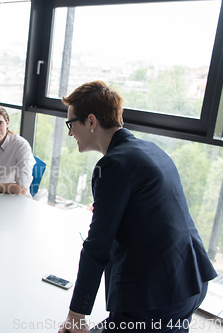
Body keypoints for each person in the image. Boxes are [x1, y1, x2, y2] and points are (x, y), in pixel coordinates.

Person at [58, 81, 217, 333]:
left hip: (156, 297)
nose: (69, 133)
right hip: (190, 280)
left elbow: (97, 247)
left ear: (91, 121)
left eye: (71, 124)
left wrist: (76, 314)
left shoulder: (113, 165)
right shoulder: (150, 149)